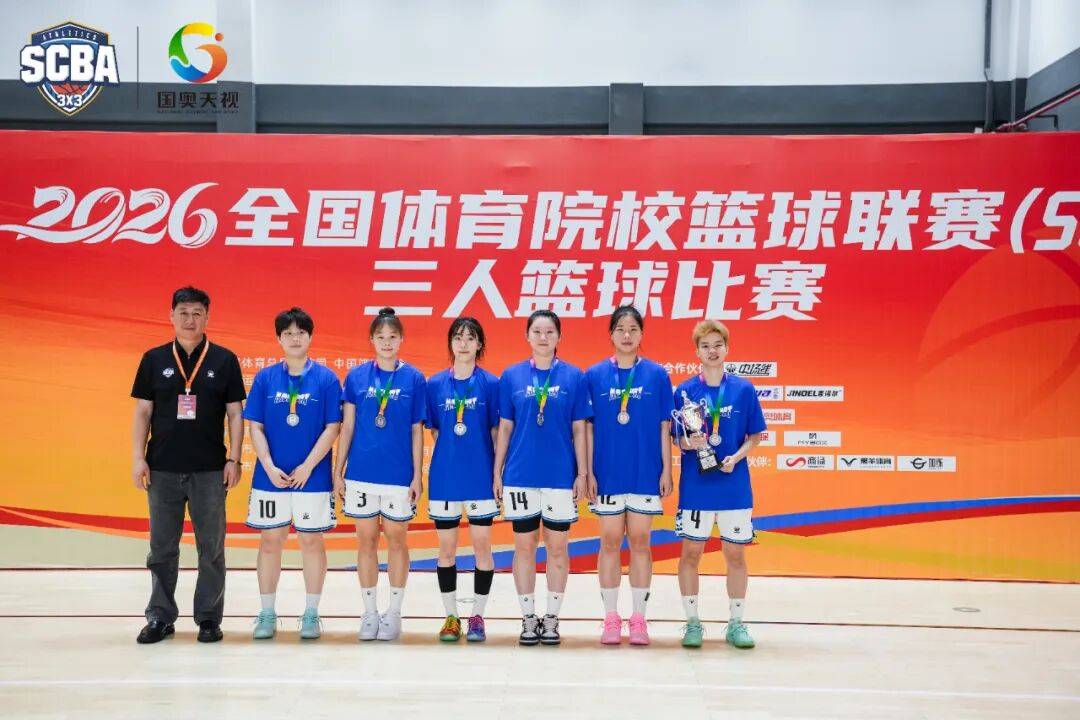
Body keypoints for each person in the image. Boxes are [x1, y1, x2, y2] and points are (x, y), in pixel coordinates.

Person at [130, 286, 246, 644]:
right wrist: (138, 457)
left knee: (211, 548)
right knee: (162, 548)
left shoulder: (224, 360)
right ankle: (160, 617)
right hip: (162, 468)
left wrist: (234, 458)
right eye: (183, 312)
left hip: (210, 470)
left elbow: (235, 414)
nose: (190, 320)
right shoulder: (154, 359)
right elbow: (143, 411)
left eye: (197, 313)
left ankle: (209, 618)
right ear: (171, 316)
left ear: (207, 317)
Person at [493, 310, 592, 646]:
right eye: (537, 331)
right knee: (524, 547)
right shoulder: (512, 376)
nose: (543, 337)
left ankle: (551, 617)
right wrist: (497, 472)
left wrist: (582, 473)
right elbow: (505, 428)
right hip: (520, 475)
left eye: (550, 332)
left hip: (560, 477)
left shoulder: (574, 376)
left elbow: (579, 429)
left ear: (559, 337)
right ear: (527, 336)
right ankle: (527, 617)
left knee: (557, 549)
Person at [244, 308, 342, 641]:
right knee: (270, 541)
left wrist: (308, 466)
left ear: (310, 337)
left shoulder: (326, 379)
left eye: (300, 332)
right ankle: (267, 613)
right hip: (270, 478)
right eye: (288, 333)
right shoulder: (265, 378)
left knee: (311, 541)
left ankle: (311, 613)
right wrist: (268, 465)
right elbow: (255, 426)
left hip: (312, 478)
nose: (295, 338)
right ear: (279, 339)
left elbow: (333, 427)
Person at [672, 320, 765, 649]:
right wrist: (690, 443)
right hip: (696, 486)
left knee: (735, 554)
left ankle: (736, 623)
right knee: (690, 553)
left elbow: (755, 435)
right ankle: (692, 623)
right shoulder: (685, 392)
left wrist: (737, 457)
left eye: (717, 345)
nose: (712, 351)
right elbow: (677, 440)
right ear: (697, 352)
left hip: (733, 485)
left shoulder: (743, 389)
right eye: (705, 346)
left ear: (727, 348)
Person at [335, 307, 426, 642]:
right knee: (366, 541)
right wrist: (338, 472)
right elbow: (347, 427)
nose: (387, 342)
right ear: (371, 340)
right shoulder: (357, 377)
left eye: (392, 337)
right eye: (380, 337)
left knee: (397, 541)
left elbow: (417, 430)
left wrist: (417, 476)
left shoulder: (414, 378)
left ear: (401, 339)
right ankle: (370, 612)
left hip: (398, 476)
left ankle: (394, 613)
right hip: (361, 474)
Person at [585, 305, 674, 645]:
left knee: (640, 542)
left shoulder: (656, 375)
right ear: (611, 334)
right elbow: (587, 429)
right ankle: (610, 617)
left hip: (644, 473)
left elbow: (664, 426)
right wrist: (588, 472)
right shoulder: (594, 375)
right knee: (609, 542)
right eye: (620, 329)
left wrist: (666, 470)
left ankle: (638, 618)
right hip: (607, 474)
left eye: (633, 329)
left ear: (641, 334)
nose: (626, 335)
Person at [425, 317, 500, 643]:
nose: (464, 343)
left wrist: (496, 474)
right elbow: (435, 431)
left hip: (481, 478)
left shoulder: (491, 384)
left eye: (470, 338)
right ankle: (451, 617)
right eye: (458, 337)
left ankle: (478, 616)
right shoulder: (434, 384)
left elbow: (495, 432)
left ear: (480, 344)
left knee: (483, 547)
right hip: (445, 478)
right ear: (450, 343)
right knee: (446, 549)